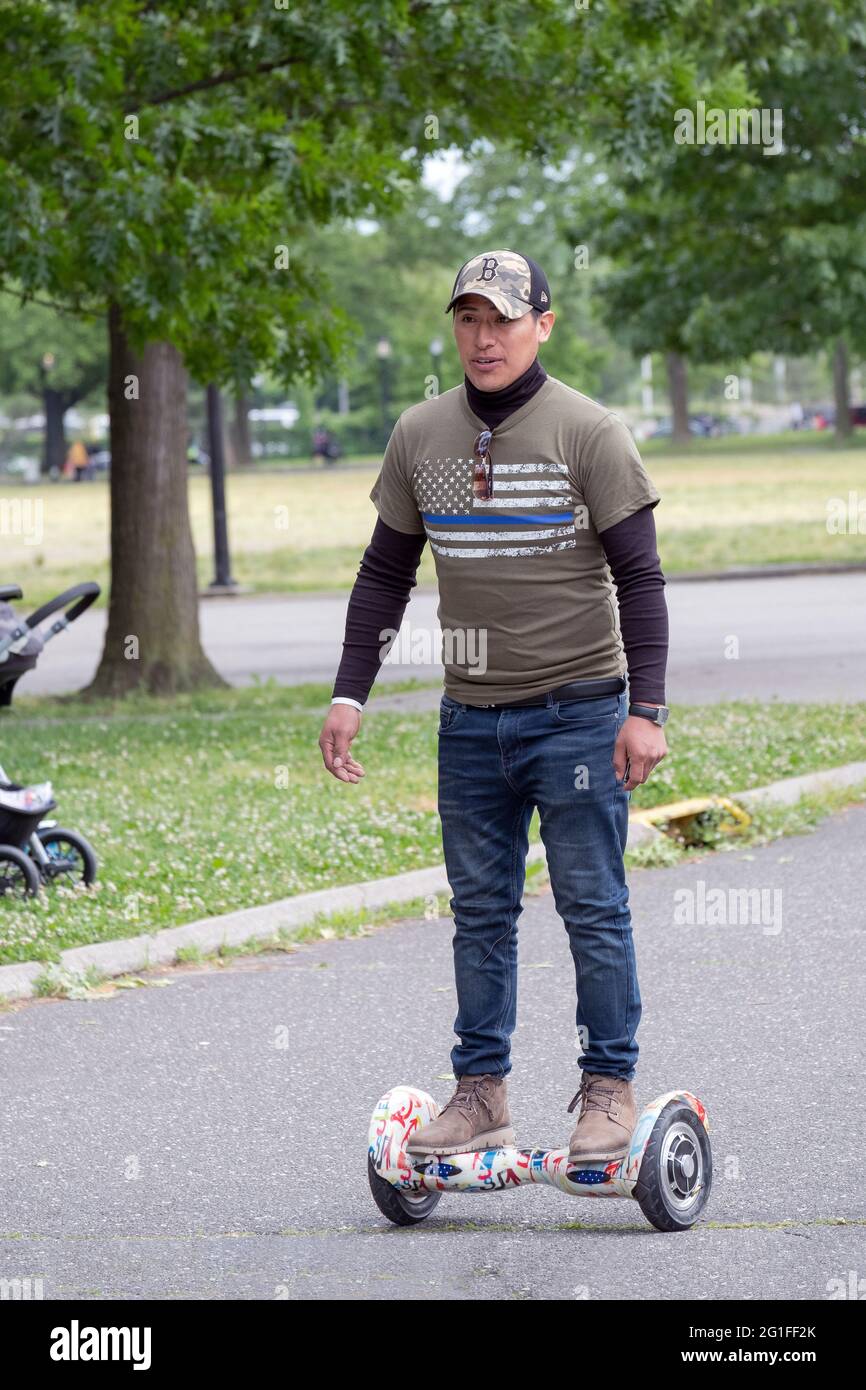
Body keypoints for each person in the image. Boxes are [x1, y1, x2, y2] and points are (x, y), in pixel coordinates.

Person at [319, 249, 670, 1164]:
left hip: (581, 713)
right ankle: (480, 1093)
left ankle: (608, 1090)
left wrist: (650, 711)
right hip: (470, 721)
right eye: (469, 319)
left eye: (504, 319)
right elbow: (384, 573)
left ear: (542, 326)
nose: (484, 337)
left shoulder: (589, 432)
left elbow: (641, 577)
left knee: (592, 906)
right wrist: (349, 691)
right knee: (480, 913)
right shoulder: (420, 434)